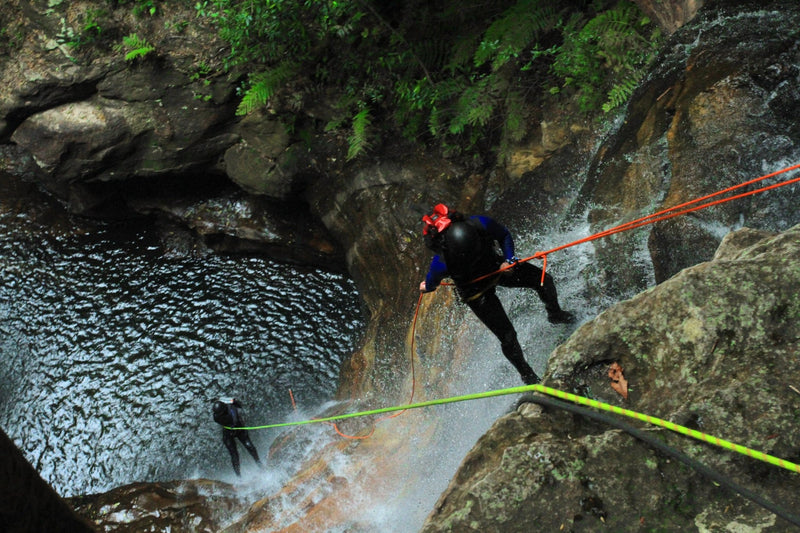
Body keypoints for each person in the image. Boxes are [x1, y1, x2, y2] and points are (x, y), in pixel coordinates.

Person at [419, 203, 574, 385]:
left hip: (497, 267)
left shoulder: (480, 224)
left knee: (544, 280)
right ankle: (527, 375)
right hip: (475, 292)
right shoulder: (440, 263)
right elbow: (432, 283)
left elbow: (504, 235)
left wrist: (509, 259)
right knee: (508, 336)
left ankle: (555, 314)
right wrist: (427, 286)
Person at [212, 398, 262, 476]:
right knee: (234, 454)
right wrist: (229, 427)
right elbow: (222, 421)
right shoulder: (216, 416)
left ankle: (259, 464)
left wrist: (234, 426)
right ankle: (238, 476)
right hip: (228, 431)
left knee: (249, 446)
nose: (219, 415)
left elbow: (235, 417)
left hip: (239, 428)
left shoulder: (231, 408)